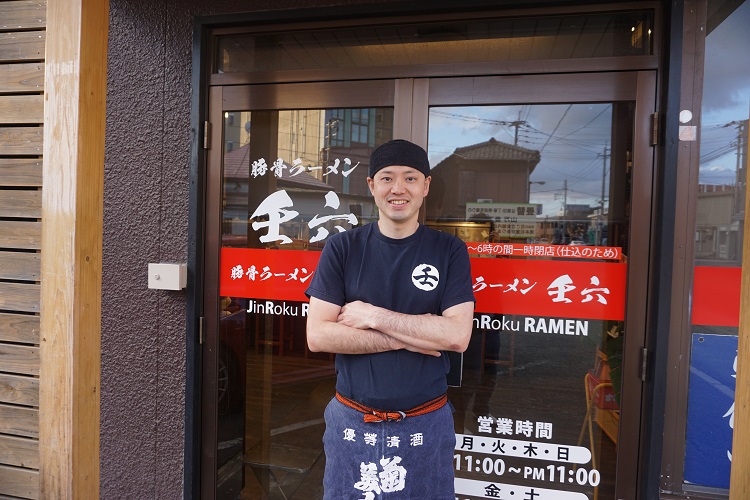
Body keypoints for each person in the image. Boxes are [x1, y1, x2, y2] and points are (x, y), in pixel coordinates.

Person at [305, 139, 475, 499]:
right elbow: (318, 336)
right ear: (371, 186)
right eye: (387, 178)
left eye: (410, 178)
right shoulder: (343, 248)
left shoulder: (449, 250)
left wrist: (373, 315)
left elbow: (457, 336)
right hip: (352, 421)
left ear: (426, 186)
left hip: (425, 422)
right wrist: (411, 335)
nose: (398, 188)